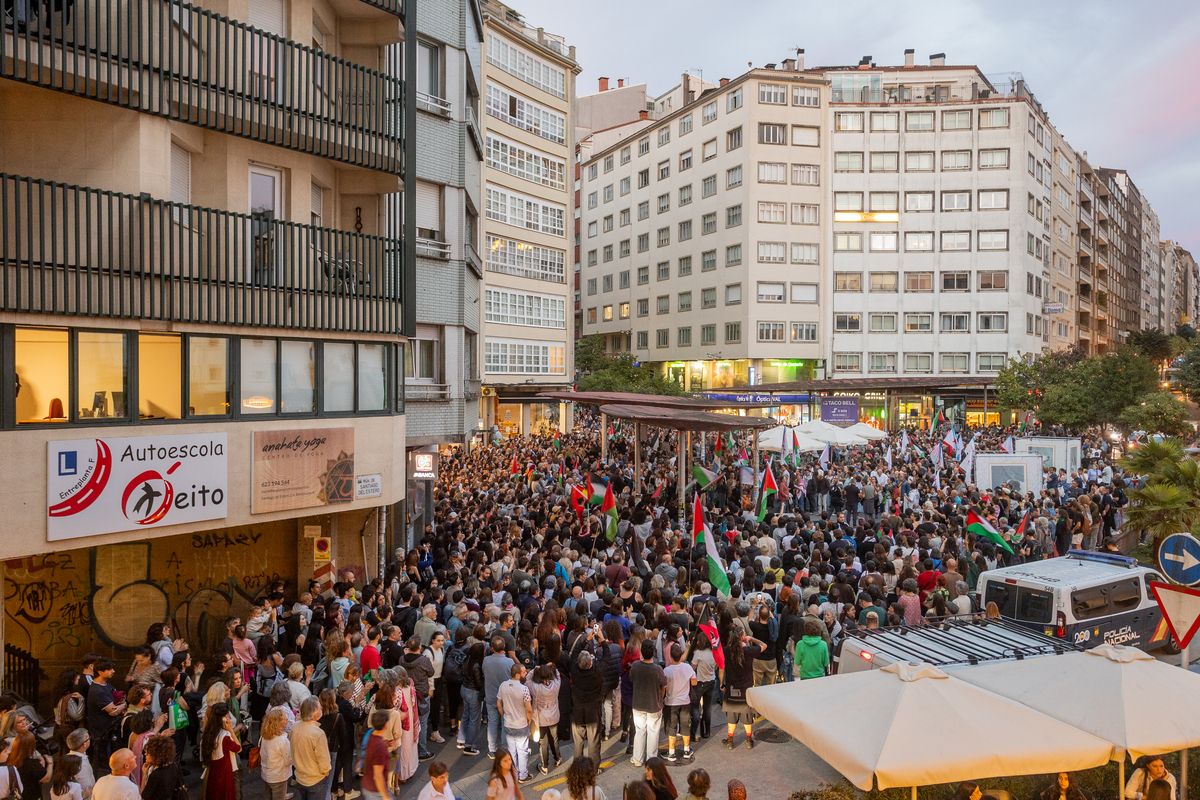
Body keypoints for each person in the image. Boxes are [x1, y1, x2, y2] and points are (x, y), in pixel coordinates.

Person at [721, 630, 763, 750]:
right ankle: (749, 741)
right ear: (742, 637)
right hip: (746, 691)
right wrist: (751, 639)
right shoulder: (749, 651)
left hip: (731, 689)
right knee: (747, 717)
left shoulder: (726, 651)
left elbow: (720, 663)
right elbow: (764, 645)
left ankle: (730, 741)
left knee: (731, 717)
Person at [629, 640, 666, 768]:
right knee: (653, 732)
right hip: (654, 705)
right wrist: (660, 698)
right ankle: (652, 761)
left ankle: (637, 759)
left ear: (642, 652)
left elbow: (631, 679)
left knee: (639, 732)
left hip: (638, 704)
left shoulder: (635, 666)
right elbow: (663, 686)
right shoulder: (658, 669)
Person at [86, 660, 126, 770]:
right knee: (107, 761)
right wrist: (125, 704)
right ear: (100, 672)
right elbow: (113, 711)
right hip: (103, 731)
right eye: (109, 669)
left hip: (109, 729)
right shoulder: (98, 691)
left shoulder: (106, 685)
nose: (113, 671)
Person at [496, 663, 533, 783]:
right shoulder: (524, 689)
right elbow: (529, 709)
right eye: (523, 672)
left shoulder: (503, 685)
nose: (525, 673)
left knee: (512, 750)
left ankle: (513, 773)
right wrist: (529, 720)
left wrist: (504, 715)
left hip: (508, 723)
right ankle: (523, 775)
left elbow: (498, 704)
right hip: (521, 724)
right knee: (522, 751)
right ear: (517, 675)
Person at [291, 698, 332, 800]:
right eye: (319, 707)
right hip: (315, 779)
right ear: (314, 713)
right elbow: (324, 761)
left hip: (300, 777)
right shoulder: (318, 734)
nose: (321, 708)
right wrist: (325, 772)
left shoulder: (294, 727)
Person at [569, 651, 605, 767]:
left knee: (578, 741)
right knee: (593, 741)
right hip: (592, 711)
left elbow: (573, 658)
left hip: (577, 711)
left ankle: (578, 766)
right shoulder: (596, 674)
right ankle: (593, 768)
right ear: (590, 663)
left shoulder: (574, 672)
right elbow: (606, 661)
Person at [661, 644, 696, 762]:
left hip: (671, 703)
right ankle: (687, 750)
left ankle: (671, 753)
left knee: (672, 727)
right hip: (685, 702)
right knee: (685, 725)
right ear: (681, 655)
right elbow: (694, 682)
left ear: (670, 656)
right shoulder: (688, 668)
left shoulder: (666, 670)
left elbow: (664, 688)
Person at [525, 664, 560, 775]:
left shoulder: (536, 687)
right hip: (554, 716)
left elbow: (528, 679)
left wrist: (535, 668)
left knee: (543, 742)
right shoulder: (556, 684)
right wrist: (553, 667)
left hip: (541, 718)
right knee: (554, 738)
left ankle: (544, 766)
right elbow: (558, 675)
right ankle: (558, 758)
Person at [201, 703, 240, 800]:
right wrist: (231, 730)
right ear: (222, 718)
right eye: (227, 715)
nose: (229, 717)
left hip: (213, 771)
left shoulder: (208, 731)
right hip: (224, 773)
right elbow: (239, 748)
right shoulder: (225, 736)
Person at [258, 707, 293, 800]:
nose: (287, 720)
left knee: (268, 796)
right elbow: (288, 761)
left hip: (266, 774)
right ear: (280, 723)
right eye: (285, 718)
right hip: (278, 777)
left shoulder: (264, 735)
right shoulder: (282, 740)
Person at [359, 711, 391, 800]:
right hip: (375, 790)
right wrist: (385, 796)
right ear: (385, 725)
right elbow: (378, 775)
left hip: (367, 784)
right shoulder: (380, 747)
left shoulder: (369, 734)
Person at [8, 730, 47, 800]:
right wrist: (49, 763)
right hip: (32, 795)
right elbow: (44, 778)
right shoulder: (31, 764)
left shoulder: (11, 759)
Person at [64, 730, 96, 800]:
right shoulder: (81, 764)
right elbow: (87, 786)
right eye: (88, 738)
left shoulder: (67, 757)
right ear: (84, 744)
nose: (90, 739)